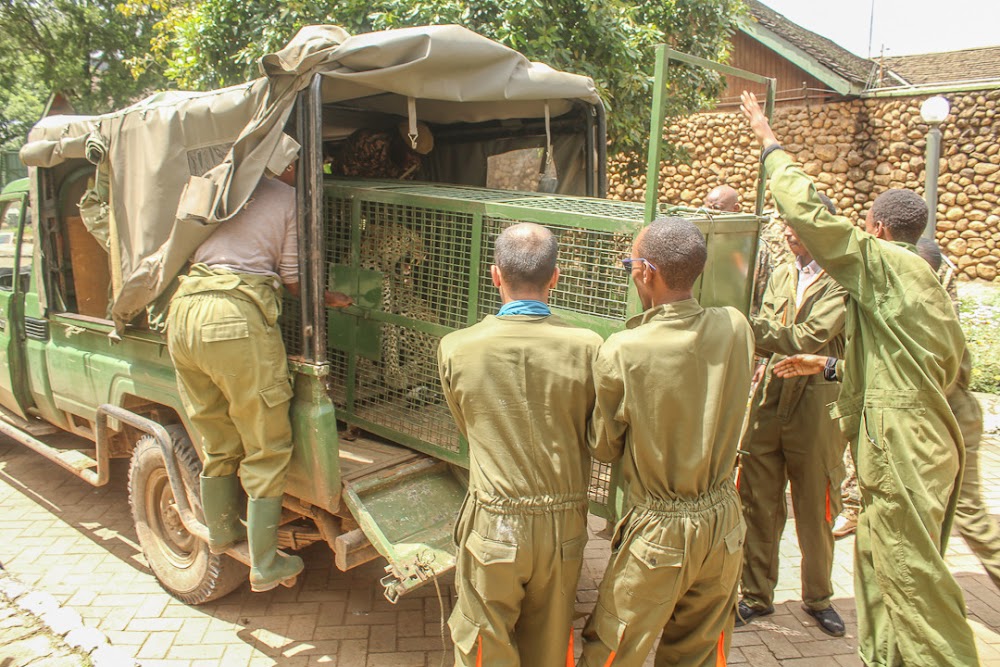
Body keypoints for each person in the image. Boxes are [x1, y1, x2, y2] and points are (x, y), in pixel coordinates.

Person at [740, 90, 979, 666]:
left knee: (915, 588)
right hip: (909, 444)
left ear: (874, 227)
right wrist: (828, 367)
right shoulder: (922, 284)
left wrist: (770, 142)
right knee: (880, 572)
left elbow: (808, 215)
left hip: (898, 449)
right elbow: (933, 373)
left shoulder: (879, 267)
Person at [167, 164, 352, 593]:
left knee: (215, 432)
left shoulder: (218, 182)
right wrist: (329, 298)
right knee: (267, 443)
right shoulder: (287, 198)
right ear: (287, 163)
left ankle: (220, 532)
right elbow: (291, 280)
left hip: (185, 308)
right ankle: (265, 563)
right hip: (234, 316)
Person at [579, 217, 753, 667]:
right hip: (724, 521)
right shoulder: (736, 327)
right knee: (697, 651)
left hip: (659, 532)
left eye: (630, 263)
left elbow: (603, 446)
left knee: (613, 651)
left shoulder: (624, 349)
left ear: (647, 272)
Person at [780, 239, 1000, 590]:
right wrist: (828, 365)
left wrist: (828, 365)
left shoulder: (918, 314)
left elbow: (893, 378)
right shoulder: (919, 300)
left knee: (965, 513)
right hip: (936, 415)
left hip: (946, 418)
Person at [437, 222, 602, 666]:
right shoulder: (588, 347)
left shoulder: (456, 348)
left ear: (494, 275)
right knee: (550, 647)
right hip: (564, 525)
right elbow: (597, 436)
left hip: (495, 520)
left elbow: (467, 426)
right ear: (556, 277)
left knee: (484, 645)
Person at [736, 193, 849, 636]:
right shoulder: (783, 273)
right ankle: (756, 596)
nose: (787, 232)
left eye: (796, 226)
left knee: (815, 505)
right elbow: (773, 327)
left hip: (816, 408)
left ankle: (818, 597)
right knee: (758, 503)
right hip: (770, 398)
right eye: (785, 224)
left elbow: (812, 335)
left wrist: (741, 324)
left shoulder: (841, 281)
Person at [327, 121, 433, 180]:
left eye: (418, 156)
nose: (414, 160)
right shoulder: (368, 142)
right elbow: (345, 176)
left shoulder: (413, 165)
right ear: (398, 140)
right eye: (411, 153)